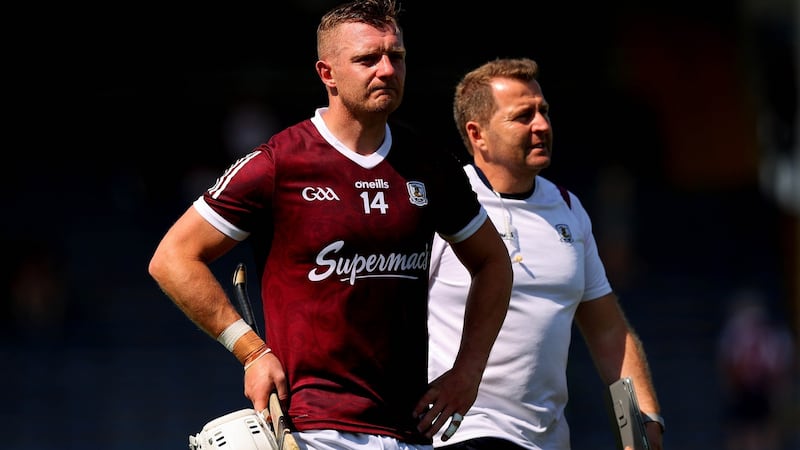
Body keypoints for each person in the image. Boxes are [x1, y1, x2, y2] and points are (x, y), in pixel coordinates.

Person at [148, 1, 513, 449]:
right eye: (367, 59)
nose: (386, 70)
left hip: (410, 430)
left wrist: (469, 371)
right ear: (327, 74)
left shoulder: (432, 166)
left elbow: (494, 262)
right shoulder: (279, 163)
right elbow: (173, 258)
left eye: (395, 57)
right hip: (311, 429)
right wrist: (252, 351)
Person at [426, 57, 665, 450]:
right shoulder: (441, 206)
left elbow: (608, 331)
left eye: (544, 111)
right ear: (478, 134)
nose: (541, 125)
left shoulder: (569, 208)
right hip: (462, 432)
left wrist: (645, 420)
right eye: (523, 116)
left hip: (548, 440)